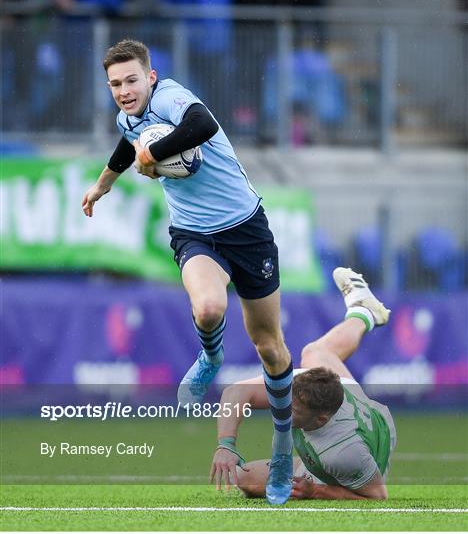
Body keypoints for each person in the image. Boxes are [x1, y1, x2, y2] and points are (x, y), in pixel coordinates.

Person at [81, 39, 293, 505]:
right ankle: (211, 358)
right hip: (195, 234)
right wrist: (101, 187)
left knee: (270, 348)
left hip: (247, 229)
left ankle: (282, 448)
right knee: (209, 307)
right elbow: (126, 145)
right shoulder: (129, 115)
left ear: (151, 77)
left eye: (131, 79)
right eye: (115, 83)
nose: (123, 90)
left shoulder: (173, 98)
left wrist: (153, 157)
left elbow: (202, 124)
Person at [210, 267, 394, 500]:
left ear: (320, 419)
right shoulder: (302, 389)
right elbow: (236, 392)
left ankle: (364, 312)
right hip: (348, 406)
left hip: (354, 453)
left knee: (249, 481)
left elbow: (377, 497)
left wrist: (317, 490)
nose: (282, 408)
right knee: (315, 352)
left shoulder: (342, 453)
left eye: (292, 409)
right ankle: (365, 312)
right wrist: (226, 444)